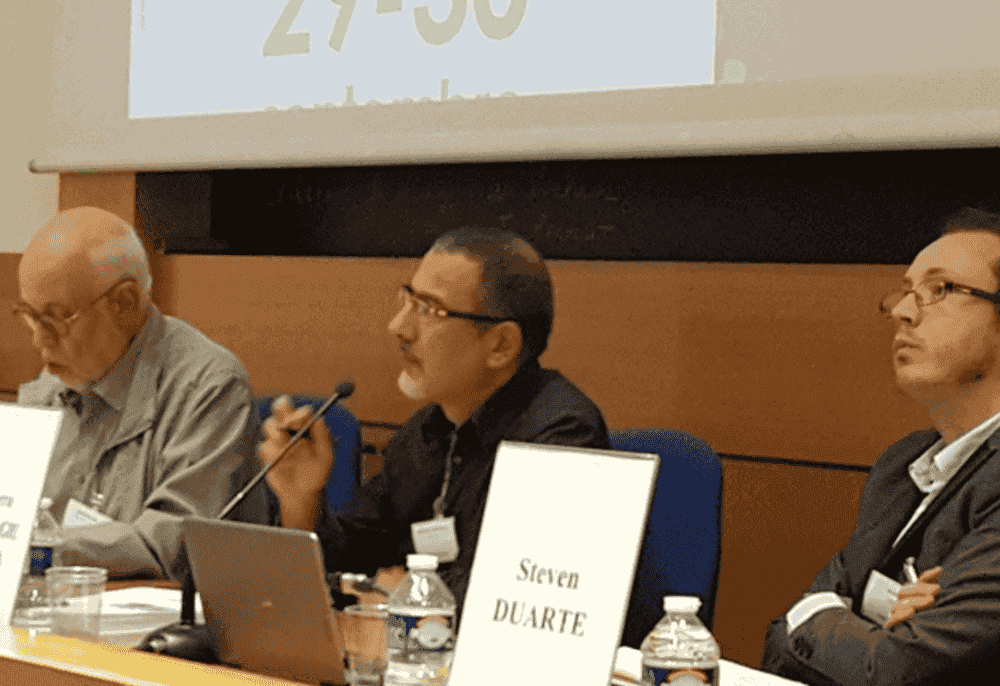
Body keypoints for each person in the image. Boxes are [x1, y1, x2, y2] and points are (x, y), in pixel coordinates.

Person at [260, 227, 609, 617]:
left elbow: (521, 601)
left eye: (429, 309)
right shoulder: (427, 431)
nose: (399, 326)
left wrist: (409, 594)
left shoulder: (561, 438)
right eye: (408, 299)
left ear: (501, 345)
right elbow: (352, 561)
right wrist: (301, 501)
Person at [761, 207, 1000, 685]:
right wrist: (854, 628)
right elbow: (781, 641)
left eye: (940, 288)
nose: (903, 311)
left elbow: (899, 671)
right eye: (907, 292)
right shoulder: (902, 463)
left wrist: (826, 617)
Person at [15, 207, 266, 580]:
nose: (39, 339)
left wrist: (37, 551)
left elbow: (172, 545)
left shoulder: (209, 387)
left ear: (125, 303)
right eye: (30, 316)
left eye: (55, 318)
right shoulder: (51, 386)